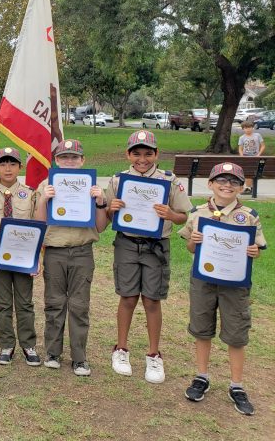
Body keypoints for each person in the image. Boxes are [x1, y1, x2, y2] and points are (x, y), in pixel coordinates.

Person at [105, 130, 192, 383]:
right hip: (127, 243)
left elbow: (184, 216)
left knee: (152, 300)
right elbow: (110, 216)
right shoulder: (118, 180)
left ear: (156, 154)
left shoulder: (169, 180)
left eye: (148, 153)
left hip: (156, 246)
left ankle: (154, 354)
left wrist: (170, 214)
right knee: (128, 296)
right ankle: (121, 349)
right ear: (128, 154)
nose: (142, 159)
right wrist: (112, 209)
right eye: (136, 153)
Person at [179, 162, 265, 416]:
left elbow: (257, 249)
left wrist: (254, 251)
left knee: (236, 333)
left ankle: (237, 385)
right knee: (202, 328)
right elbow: (189, 248)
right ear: (211, 184)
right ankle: (201, 376)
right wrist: (194, 243)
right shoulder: (198, 213)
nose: (227, 185)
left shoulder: (249, 215)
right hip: (204, 280)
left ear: (242, 187)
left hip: (235, 284)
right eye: (222, 180)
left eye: (234, 182)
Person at [33, 139, 109, 376]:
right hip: (55, 251)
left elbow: (101, 226)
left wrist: (100, 202)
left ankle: (79, 357)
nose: (69, 161)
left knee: (79, 306)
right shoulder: (46, 184)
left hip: (82, 251)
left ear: (82, 160)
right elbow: (38, 223)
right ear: (56, 161)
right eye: (64, 157)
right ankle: (53, 352)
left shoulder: (93, 186)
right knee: (54, 303)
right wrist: (45, 199)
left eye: (74, 157)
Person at [0, 147, 40, 367]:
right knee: (3, 302)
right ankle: (6, 344)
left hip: (23, 253)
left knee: (25, 302)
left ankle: (28, 344)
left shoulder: (30, 193)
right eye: (3, 163)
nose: (7, 168)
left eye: (12, 163)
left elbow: (36, 226)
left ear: (19, 167)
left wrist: (36, 258)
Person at [237, 120, 265, 194]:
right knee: (247, 172)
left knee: (251, 173)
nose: (248, 129)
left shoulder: (257, 135)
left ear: (253, 128)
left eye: (249, 127)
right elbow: (240, 148)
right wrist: (241, 155)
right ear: (243, 129)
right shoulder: (242, 137)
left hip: (255, 157)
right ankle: (249, 188)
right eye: (246, 128)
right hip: (246, 157)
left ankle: (248, 188)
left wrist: (259, 154)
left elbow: (263, 146)